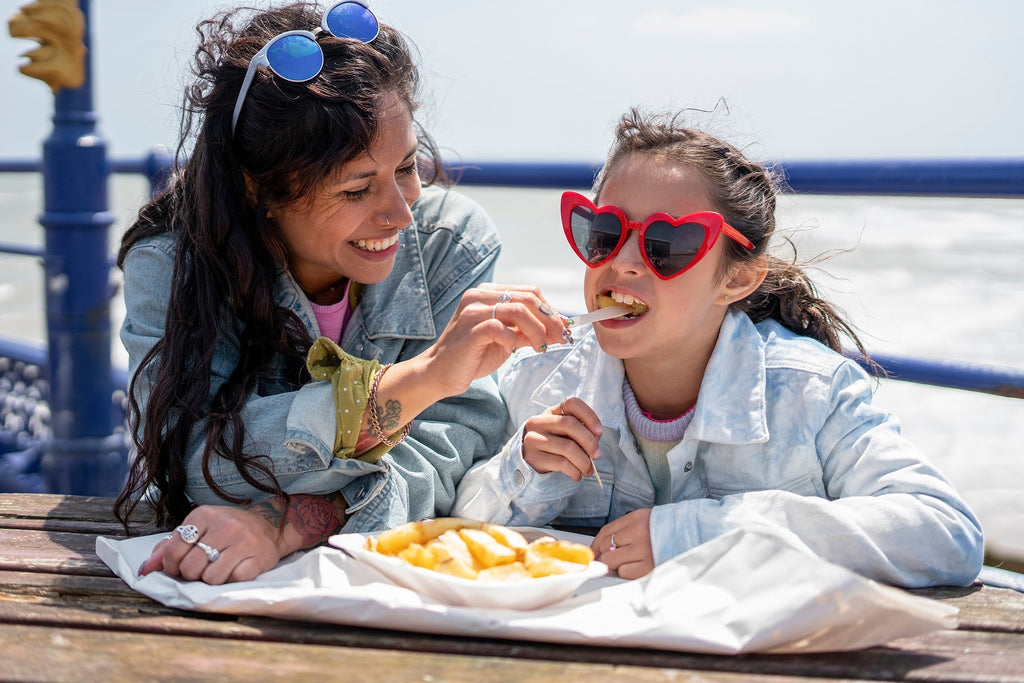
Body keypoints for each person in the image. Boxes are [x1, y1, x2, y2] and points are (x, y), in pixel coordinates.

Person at [114, 2, 567, 584]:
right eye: (358, 190)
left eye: (407, 167)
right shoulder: (175, 265)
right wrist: (421, 380)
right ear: (259, 188)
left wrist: (285, 523)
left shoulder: (451, 241)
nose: (402, 213)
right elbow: (191, 459)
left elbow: (458, 447)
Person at [453, 108, 984, 587]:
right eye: (605, 232)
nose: (625, 261)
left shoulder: (809, 393)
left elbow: (945, 531)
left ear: (738, 279)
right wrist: (520, 469)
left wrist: (700, 535)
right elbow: (451, 529)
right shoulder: (537, 379)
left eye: (668, 243)